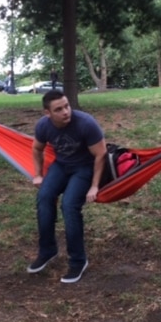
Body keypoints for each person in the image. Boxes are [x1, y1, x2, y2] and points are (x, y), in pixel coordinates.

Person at [28, 90, 106, 283]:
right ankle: (48, 250)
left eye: (67, 106)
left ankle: (78, 260)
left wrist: (94, 186)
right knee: (44, 197)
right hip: (61, 165)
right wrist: (38, 174)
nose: (65, 112)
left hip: (84, 168)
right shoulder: (43, 126)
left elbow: (101, 154)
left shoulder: (86, 123)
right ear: (48, 113)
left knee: (69, 206)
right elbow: (36, 148)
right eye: (59, 109)